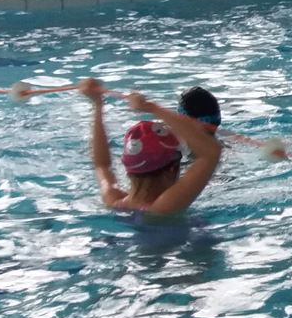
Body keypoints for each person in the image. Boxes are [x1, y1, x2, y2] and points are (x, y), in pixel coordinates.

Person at [81, 78, 220, 216]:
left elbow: (102, 165)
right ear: (171, 170)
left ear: (129, 167)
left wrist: (97, 104)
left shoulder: (114, 201)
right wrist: (151, 107)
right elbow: (212, 152)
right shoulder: (164, 207)